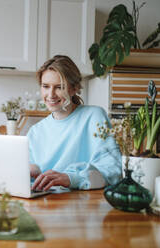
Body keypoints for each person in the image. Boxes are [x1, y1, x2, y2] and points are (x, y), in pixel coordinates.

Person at [29, 55, 121, 191]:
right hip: (44, 202)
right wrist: (29, 171)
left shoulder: (94, 116)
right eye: (45, 86)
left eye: (59, 87)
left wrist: (71, 178)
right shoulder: (35, 131)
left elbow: (114, 171)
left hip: (82, 202)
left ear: (74, 88)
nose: (51, 94)